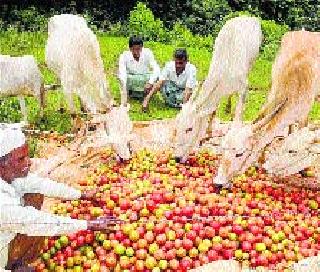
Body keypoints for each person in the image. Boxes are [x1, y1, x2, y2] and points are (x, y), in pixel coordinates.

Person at [0, 123, 122, 272]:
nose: (29, 162)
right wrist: (88, 224)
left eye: (27, 155)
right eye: (21, 159)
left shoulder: (9, 176)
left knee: (34, 193)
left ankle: (16, 260)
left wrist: (81, 195)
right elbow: (35, 221)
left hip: (8, 236)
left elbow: (41, 184)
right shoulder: (2, 205)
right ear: (2, 165)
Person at [118, 36, 160, 106]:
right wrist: (124, 93)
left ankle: (146, 95)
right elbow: (122, 74)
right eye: (134, 49)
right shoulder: (124, 56)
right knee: (122, 78)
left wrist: (150, 82)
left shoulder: (147, 52)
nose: (137, 51)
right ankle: (131, 93)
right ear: (130, 48)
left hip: (145, 77)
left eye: (139, 49)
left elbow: (157, 68)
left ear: (142, 47)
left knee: (158, 77)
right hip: (131, 78)